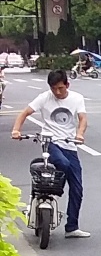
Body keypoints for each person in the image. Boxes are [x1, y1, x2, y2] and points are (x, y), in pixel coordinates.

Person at [11, 68, 90, 239]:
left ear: (67, 85)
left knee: (77, 188)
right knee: (63, 164)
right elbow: (25, 113)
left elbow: (83, 118)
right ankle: (56, 189)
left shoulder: (77, 98)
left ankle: (72, 227)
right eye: (54, 88)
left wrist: (80, 134)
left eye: (60, 88)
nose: (57, 92)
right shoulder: (44, 97)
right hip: (50, 143)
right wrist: (16, 130)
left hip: (70, 145)